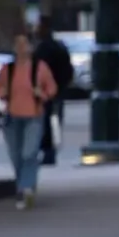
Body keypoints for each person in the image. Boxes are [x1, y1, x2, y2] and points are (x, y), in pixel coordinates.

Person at [0, 30, 59, 208]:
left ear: (31, 47)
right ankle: (25, 184)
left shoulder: (40, 68)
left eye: (24, 44)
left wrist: (42, 94)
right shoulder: (8, 69)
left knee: (29, 153)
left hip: (34, 115)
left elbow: (52, 88)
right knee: (16, 155)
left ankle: (25, 189)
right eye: (18, 44)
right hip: (13, 117)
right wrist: (3, 93)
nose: (21, 48)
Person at [33, 22, 77, 166]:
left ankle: (47, 151)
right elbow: (68, 69)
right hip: (58, 89)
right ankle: (50, 151)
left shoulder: (42, 49)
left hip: (45, 90)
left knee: (44, 121)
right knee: (54, 121)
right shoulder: (59, 47)